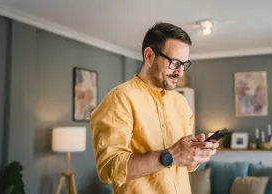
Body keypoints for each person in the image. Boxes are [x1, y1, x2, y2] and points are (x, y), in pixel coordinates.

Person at [90, 22, 219, 194]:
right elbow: (108, 169)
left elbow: (186, 166)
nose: (180, 72)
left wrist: (195, 155)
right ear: (149, 55)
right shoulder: (119, 99)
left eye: (184, 64)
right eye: (174, 62)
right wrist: (170, 156)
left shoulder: (181, 103)